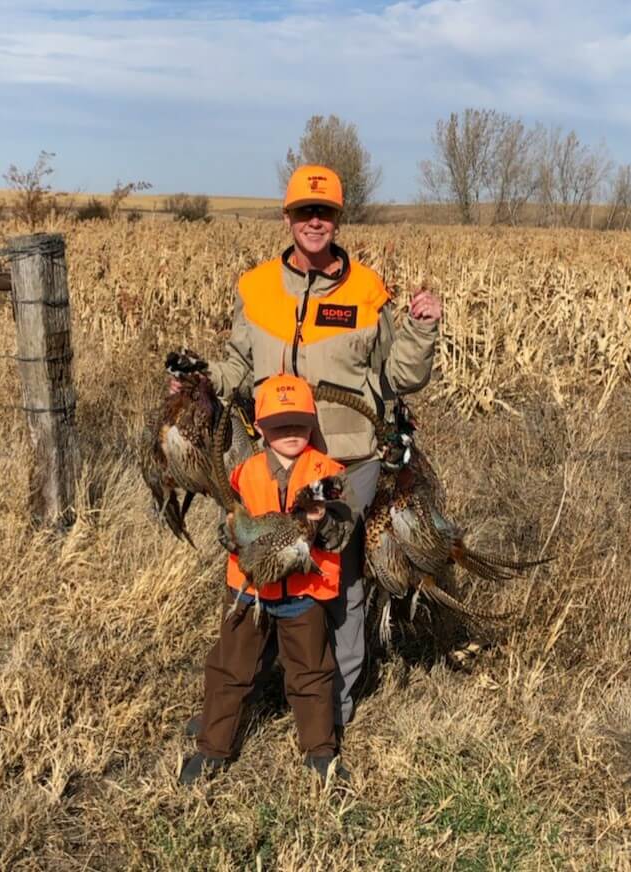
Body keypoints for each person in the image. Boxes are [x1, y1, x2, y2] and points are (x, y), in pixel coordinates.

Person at [179, 164, 442, 738]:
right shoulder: (257, 288)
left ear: (338, 219)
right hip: (271, 457)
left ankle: (336, 703)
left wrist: (422, 330)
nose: (314, 222)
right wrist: (201, 383)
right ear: (289, 217)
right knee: (263, 573)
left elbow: (397, 377)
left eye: (324, 213)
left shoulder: (367, 291)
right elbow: (236, 368)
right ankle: (257, 690)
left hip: (350, 460)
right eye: (304, 212)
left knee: (339, 577)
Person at [179, 374, 353, 785]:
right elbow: (228, 528)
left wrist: (322, 520)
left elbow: (341, 533)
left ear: (312, 423)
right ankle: (213, 748)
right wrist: (236, 535)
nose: (290, 432)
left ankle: (320, 753)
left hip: (304, 596)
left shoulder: (326, 474)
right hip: (249, 591)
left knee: (311, 672)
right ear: (260, 428)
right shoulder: (245, 472)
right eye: (279, 424)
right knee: (230, 668)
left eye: (298, 422)